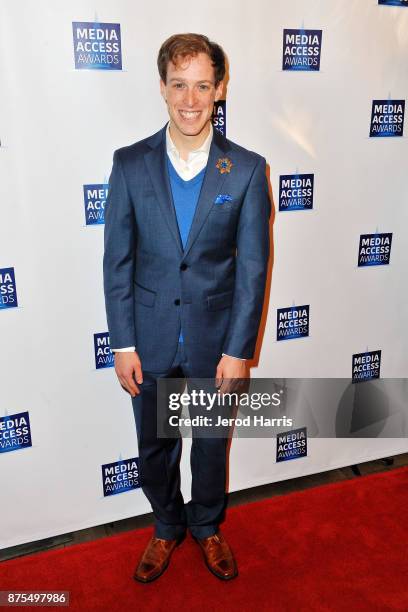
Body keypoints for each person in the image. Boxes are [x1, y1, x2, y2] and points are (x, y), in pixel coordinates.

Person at [103, 33, 271, 583]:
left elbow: (251, 269)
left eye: (203, 85)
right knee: (155, 448)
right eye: (180, 85)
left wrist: (237, 351)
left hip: (213, 344)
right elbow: (117, 263)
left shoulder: (246, 170)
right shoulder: (129, 164)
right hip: (148, 343)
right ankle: (166, 525)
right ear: (162, 87)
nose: (191, 99)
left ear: (220, 89)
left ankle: (207, 526)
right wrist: (123, 343)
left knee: (209, 449)